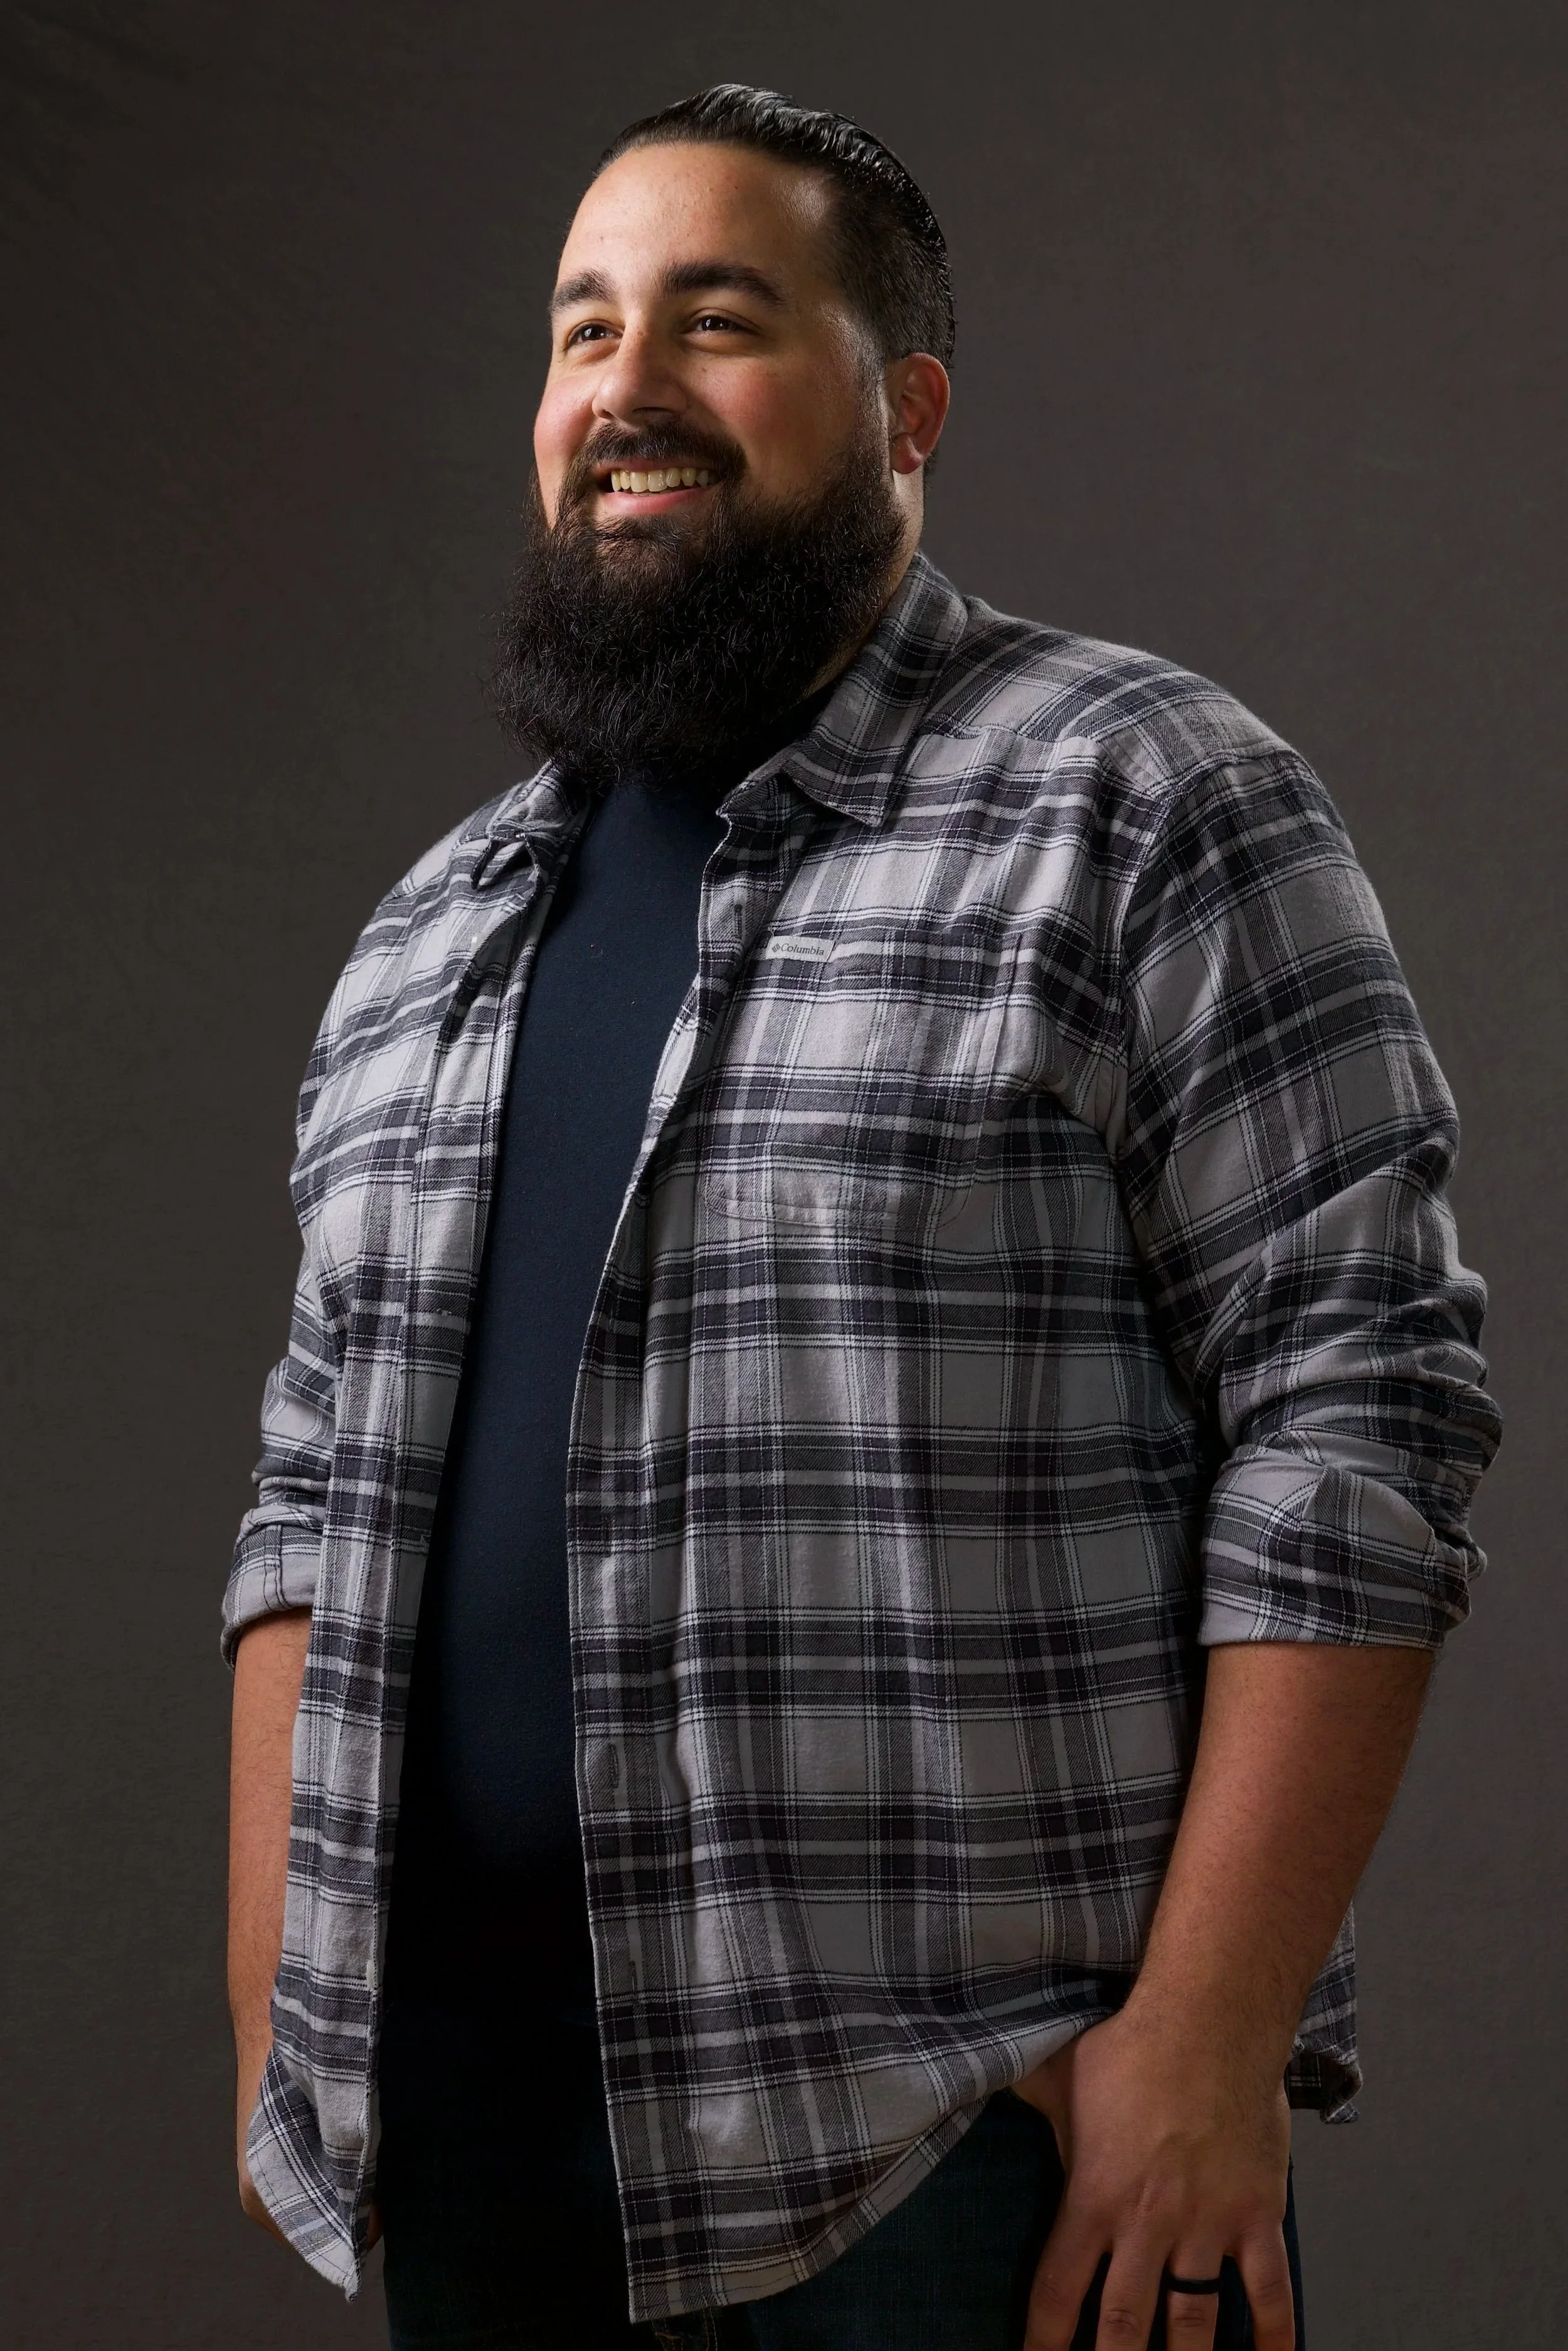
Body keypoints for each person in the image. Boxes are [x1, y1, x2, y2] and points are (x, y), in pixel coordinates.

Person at [225, 84, 1500, 2351]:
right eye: (582, 327)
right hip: (484, 2146)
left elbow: (1358, 1429)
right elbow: (311, 1502)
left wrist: (1204, 2051)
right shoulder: (432, 931)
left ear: (903, 405)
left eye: (714, 324)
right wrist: (283, 2028)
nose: (622, 390)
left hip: (956, 2163)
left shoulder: (1139, 797)